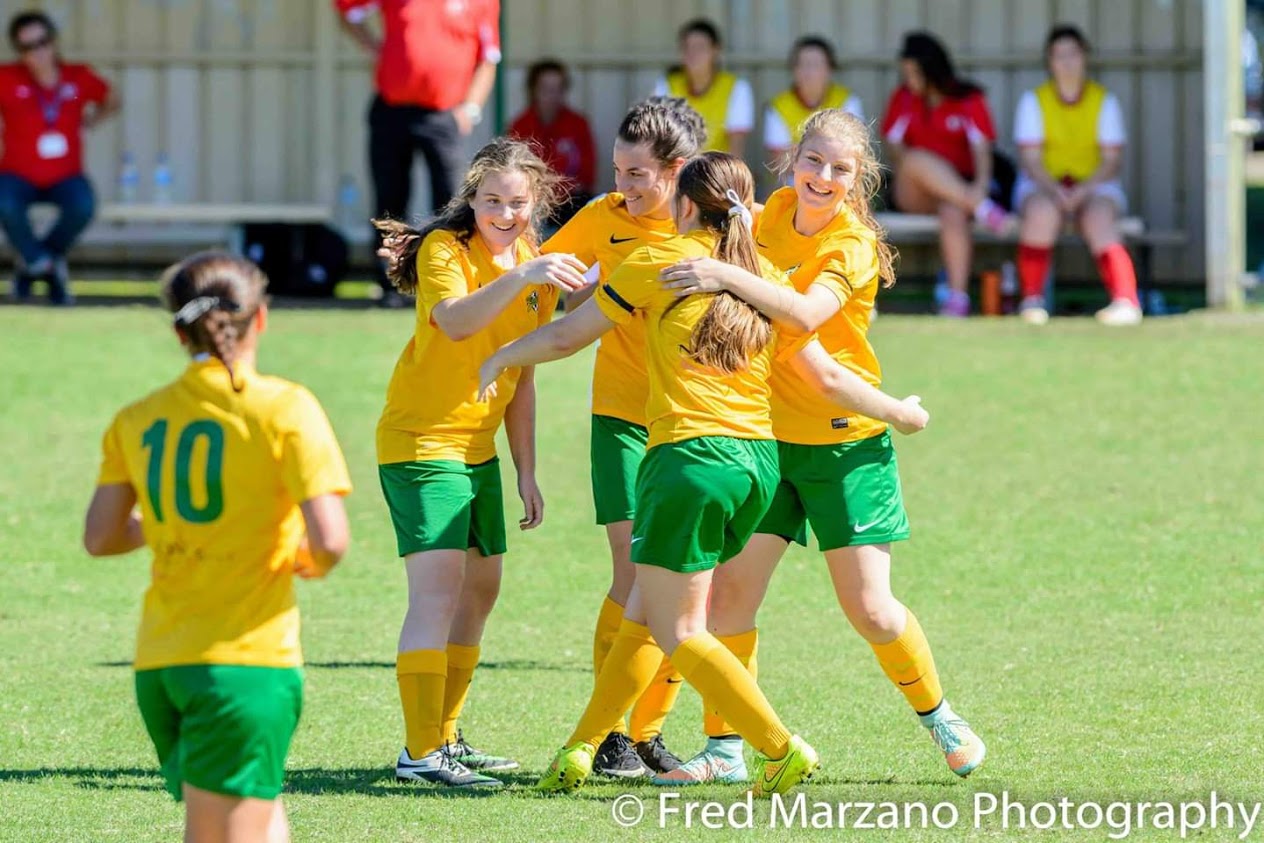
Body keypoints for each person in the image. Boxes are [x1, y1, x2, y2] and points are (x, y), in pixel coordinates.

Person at [477, 151, 928, 797]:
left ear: (685, 205)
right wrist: (898, 412)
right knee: (644, 610)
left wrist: (501, 355)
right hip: (758, 467)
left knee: (680, 629)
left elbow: (567, 335)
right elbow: (824, 372)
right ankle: (578, 750)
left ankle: (779, 747)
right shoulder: (765, 276)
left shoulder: (657, 261)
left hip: (688, 461)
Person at [656, 109, 985, 784]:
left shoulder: (853, 244)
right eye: (813, 160)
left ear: (857, 177)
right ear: (792, 158)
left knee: (872, 610)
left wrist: (724, 276)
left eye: (840, 168)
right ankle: (724, 748)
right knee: (729, 600)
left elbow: (804, 316)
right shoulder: (771, 211)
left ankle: (939, 715)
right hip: (767, 439)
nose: (822, 176)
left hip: (844, 445)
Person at [83, 252, 352, 843]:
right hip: (243, 668)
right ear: (261, 319)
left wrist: (172, 524)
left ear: (179, 330)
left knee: (261, 816)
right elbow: (330, 540)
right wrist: (308, 561)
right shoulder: (285, 407)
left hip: (162, 664)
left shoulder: (138, 417)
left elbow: (101, 537)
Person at [374, 138, 588, 789]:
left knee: (481, 591)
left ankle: (444, 735)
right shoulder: (447, 249)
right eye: (491, 200)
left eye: (517, 202)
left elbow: (523, 374)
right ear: (471, 199)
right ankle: (419, 753)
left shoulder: (531, 258)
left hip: (478, 451)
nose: (504, 213)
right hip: (422, 443)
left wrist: (525, 470)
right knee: (437, 594)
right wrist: (522, 276)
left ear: (536, 201)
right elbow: (456, 322)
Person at [537, 97, 705, 779]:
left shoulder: (714, 223)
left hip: (690, 425)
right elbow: (535, 275)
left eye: (638, 173)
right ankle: (609, 734)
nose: (624, 186)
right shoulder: (603, 217)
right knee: (635, 575)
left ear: (678, 170)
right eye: (618, 170)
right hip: (620, 418)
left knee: (685, 587)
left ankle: (648, 732)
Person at [334, 0, 501, 308]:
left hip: (443, 113)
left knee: (452, 202)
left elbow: (488, 59)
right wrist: (376, 49)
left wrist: (471, 110)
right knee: (390, 199)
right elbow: (347, 9)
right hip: (391, 109)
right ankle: (391, 283)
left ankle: (447, 280)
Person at [1013, 25, 1141, 326]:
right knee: (1041, 212)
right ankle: (1032, 300)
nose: (1067, 62)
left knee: (1100, 216)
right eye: (1059, 55)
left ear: (1084, 57)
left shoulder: (1104, 101)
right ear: (1050, 61)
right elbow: (1031, 160)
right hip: (1044, 186)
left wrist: (1083, 191)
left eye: (1073, 54)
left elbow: (1111, 161)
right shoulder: (1034, 101)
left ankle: (1126, 301)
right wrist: (1056, 191)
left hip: (1096, 186)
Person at [880, 31, 1008, 317]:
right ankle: (983, 208)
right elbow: (896, 152)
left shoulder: (969, 98)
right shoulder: (903, 99)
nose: (909, 80)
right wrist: (975, 199)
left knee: (953, 211)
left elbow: (982, 151)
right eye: (905, 74)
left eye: (914, 73)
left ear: (932, 69)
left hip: (960, 192)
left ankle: (957, 298)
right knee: (915, 159)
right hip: (914, 192)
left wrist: (981, 186)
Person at [0, 9, 117, 305]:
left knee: (83, 204)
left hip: (66, 175)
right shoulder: (7, 77)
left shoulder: (77, 77)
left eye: (42, 42)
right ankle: (47, 267)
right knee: (4, 201)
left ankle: (35, 261)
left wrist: (93, 120)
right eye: (28, 47)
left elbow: (111, 98)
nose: (38, 52)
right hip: (17, 174)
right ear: (19, 51)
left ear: (53, 41)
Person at [509, 59, 596, 227]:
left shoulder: (578, 124)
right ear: (533, 90)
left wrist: (558, 191)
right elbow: (511, 170)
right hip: (531, 201)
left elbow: (587, 176)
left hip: (569, 203)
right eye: (546, 89)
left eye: (558, 89)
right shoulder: (520, 126)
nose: (552, 95)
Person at [653, 19, 754, 156]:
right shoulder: (666, 85)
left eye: (700, 47)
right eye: (686, 47)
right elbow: (659, 145)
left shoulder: (737, 88)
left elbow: (736, 151)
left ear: (715, 50)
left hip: (718, 168)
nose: (692, 54)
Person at [764, 36, 864, 165]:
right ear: (794, 70)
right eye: (803, 64)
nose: (809, 72)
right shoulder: (778, 106)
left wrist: (803, 152)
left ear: (830, 69)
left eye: (816, 65)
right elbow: (780, 163)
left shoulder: (847, 100)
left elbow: (854, 154)